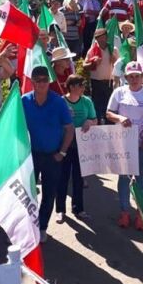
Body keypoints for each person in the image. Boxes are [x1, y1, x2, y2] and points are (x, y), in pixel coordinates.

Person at [106, 61, 143, 230]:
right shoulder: (119, 92)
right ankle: (124, 211)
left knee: (142, 178)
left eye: (137, 76)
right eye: (131, 76)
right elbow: (108, 113)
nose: (134, 79)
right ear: (126, 77)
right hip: (123, 143)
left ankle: (141, 214)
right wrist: (120, 119)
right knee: (123, 177)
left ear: (142, 77)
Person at [22, 66, 74, 241]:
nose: (42, 83)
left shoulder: (58, 102)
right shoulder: (23, 101)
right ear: (32, 82)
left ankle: (42, 226)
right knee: (27, 194)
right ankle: (29, 226)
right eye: (38, 80)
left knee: (49, 193)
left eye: (45, 79)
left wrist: (62, 152)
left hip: (53, 156)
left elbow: (69, 129)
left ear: (49, 81)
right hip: (31, 156)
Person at [56, 75, 96, 222]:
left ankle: (78, 209)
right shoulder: (60, 101)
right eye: (81, 85)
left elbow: (95, 119)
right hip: (64, 144)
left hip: (82, 145)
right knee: (62, 178)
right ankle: (60, 210)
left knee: (79, 178)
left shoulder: (87, 101)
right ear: (72, 86)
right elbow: (54, 121)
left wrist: (89, 122)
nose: (83, 88)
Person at [83, 28, 113, 122]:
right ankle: (98, 124)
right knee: (97, 105)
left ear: (107, 37)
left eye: (103, 37)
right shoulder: (92, 50)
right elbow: (84, 66)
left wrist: (115, 60)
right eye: (99, 38)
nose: (101, 39)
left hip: (109, 82)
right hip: (96, 82)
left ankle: (109, 125)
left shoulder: (112, 49)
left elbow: (120, 64)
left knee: (109, 105)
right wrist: (93, 63)